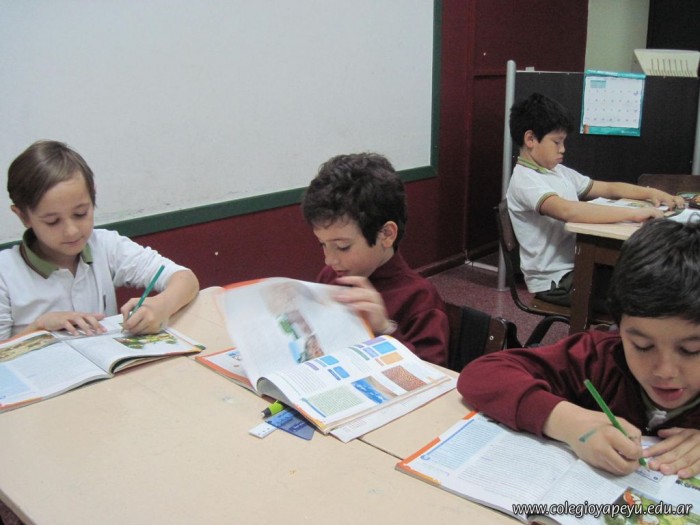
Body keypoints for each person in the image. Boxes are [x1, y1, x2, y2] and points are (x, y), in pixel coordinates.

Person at [458, 219, 700, 479]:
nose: (665, 371)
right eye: (643, 346)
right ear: (619, 328)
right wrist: (568, 421)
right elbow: (481, 375)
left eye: (692, 350)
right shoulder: (598, 357)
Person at [0, 140, 200, 341]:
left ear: (92, 196)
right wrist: (39, 327)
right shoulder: (5, 274)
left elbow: (185, 278)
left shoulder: (104, 245)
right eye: (52, 221)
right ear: (23, 216)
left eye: (80, 213)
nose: (71, 231)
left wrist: (161, 306)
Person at [507, 92, 685, 306]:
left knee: (653, 278)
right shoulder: (525, 180)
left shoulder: (557, 171)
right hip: (557, 282)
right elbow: (568, 211)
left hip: (579, 266)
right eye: (557, 142)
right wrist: (635, 214)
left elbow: (608, 188)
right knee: (648, 292)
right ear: (530, 139)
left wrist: (652, 193)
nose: (563, 149)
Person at [300, 152, 449, 366]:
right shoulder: (330, 277)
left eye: (343, 247)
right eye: (322, 244)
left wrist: (384, 329)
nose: (329, 260)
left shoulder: (420, 298)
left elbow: (434, 375)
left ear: (386, 234)